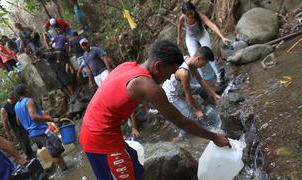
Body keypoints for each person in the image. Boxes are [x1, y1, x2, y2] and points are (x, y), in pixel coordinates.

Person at [80, 40, 229, 180]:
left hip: (105, 130)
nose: (169, 77)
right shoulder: (148, 86)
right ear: (158, 66)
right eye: (169, 73)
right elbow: (182, 121)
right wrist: (214, 137)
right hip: (98, 138)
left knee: (136, 170)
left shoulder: (128, 66)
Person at [162, 46, 221, 141]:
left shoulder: (190, 60)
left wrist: (213, 94)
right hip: (172, 95)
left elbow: (201, 80)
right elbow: (188, 94)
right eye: (204, 63)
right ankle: (179, 138)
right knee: (190, 118)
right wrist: (197, 110)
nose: (204, 66)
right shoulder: (184, 73)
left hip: (180, 88)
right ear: (198, 58)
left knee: (200, 89)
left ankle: (212, 105)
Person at [14, 84, 67, 171]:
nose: (30, 90)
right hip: (41, 131)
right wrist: (52, 119)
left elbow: (18, 122)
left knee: (54, 151)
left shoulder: (16, 106)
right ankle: (65, 171)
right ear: (26, 90)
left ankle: (63, 168)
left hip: (33, 134)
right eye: (28, 88)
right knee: (56, 153)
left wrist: (28, 123)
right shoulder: (29, 101)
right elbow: (34, 117)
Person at [177, 1, 231, 84]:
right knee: (194, 58)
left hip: (202, 35)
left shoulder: (200, 16)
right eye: (187, 14)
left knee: (208, 54)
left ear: (194, 10)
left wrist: (222, 37)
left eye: (191, 13)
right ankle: (202, 79)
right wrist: (179, 38)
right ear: (184, 14)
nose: (190, 16)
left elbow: (211, 25)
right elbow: (179, 27)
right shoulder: (182, 18)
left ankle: (219, 75)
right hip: (190, 38)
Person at [1, 91, 35, 160]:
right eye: (17, 99)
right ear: (12, 98)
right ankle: (32, 159)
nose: (18, 100)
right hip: (18, 129)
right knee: (25, 146)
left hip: (27, 123)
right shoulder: (5, 108)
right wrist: (8, 134)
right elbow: (5, 123)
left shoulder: (18, 102)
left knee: (36, 139)